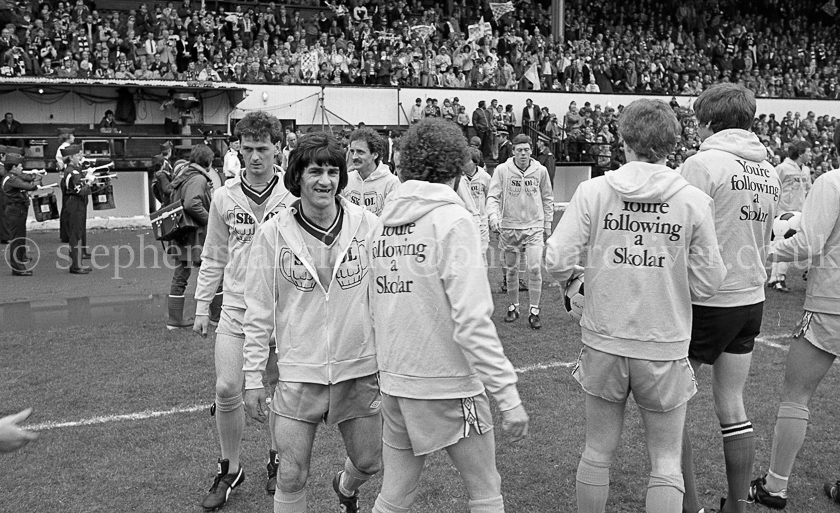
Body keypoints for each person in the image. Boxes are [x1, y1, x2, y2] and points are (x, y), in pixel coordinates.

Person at [545, 98, 726, 513]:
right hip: (664, 342)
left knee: (597, 451)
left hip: (605, 339)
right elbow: (710, 282)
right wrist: (671, 280)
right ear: (672, 144)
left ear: (623, 140)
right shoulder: (693, 200)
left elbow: (556, 259)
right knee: (665, 462)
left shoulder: (594, 191)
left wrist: (575, 279)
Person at [369, 117, 529, 513]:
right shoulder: (452, 220)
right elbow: (472, 320)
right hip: (447, 383)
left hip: (396, 381)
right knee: (486, 488)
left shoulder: (380, 226)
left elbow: (372, 309)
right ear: (456, 167)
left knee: (396, 493)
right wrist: (507, 395)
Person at [243, 132, 382, 513]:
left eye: (333, 172)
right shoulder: (272, 233)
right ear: (297, 177)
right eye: (315, 171)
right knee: (290, 475)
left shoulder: (368, 225)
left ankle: (345, 486)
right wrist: (253, 376)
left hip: (358, 367)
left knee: (370, 461)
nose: (325, 181)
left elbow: (384, 299)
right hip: (298, 372)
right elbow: (258, 309)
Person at [679, 83, 781, 513]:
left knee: (671, 403)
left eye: (697, 120)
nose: (695, 128)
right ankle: (737, 507)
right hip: (750, 298)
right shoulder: (769, 170)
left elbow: (679, 228)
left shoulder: (702, 164)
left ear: (709, 121)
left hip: (708, 298)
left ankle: (690, 506)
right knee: (732, 404)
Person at [193, 112, 292, 511]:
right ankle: (230, 468)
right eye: (247, 148)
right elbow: (214, 253)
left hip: (284, 309)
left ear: (277, 148)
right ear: (237, 148)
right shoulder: (224, 196)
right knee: (226, 387)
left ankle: (278, 459)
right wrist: (202, 305)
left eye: (262, 148)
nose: (254, 156)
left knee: (278, 388)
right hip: (236, 306)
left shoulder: (295, 193)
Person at [747, 166, 840, 509]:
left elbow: (808, 243)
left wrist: (764, 249)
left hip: (832, 301)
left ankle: (775, 486)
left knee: (796, 394)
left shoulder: (832, 181)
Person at [486, 134, 554, 330]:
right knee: (511, 270)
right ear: (513, 151)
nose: (523, 153)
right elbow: (493, 197)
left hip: (534, 227)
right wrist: (493, 217)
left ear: (531, 150)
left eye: (526, 150)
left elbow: (547, 198)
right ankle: (513, 307)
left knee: (534, 268)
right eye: (519, 150)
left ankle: (534, 311)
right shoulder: (502, 170)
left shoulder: (540, 171)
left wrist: (547, 225)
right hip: (510, 227)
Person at [165, 144, 215, 329]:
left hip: (183, 232)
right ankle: (217, 316)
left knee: (181, 274)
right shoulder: (198, 178)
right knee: (213, 271)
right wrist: (211, 220)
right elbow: (192, 203)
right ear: (207, 161)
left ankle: (174, 320)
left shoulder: (184, 175)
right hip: (195, 234)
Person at [767, 140, 812, 292]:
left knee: (795, 246)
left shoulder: (805, 170)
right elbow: (772, 186)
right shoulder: (782, 168)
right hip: (783, 214)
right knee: (783, 246)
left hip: (799, 213)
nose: (810, 154)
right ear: (800, 153)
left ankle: (778, 278)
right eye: (808, 152)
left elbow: (808, 189)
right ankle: (777, 278)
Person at [343, 128, 400, 216]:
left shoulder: (392, 183)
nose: (354, 157)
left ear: (375, 154)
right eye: (352, 151)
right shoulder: (346, 180)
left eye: (360, 152)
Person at [2, 153, 40, 276]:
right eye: (20, 166)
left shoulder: (12, 177)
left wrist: (32, 176)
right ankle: (17, 268)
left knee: (20, 237)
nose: (22, 168)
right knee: (16, 239)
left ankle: (20, 259)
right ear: (13, 167)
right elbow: (28, 186)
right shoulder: (11, 179)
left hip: (18, 210)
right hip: (15, 210)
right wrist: (35, 183)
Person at [60, 144, 93, 275]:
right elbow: (80, 191)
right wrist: (89, 182)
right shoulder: (72, 172)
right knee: (76, 235)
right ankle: (76, 265)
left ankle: (78, 263)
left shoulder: (72, 170)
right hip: (75, 204)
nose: (80, 157)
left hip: (75, 203)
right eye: (77, 155)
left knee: (77, 234)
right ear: (71, 157)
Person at [464, 146, 491, 263]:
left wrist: (491, 217)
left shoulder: (485, 177)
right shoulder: (459, 178)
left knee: (481, 253)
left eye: (467, 160)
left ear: (475, 162)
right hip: (465, 221)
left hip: (481, 221)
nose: (464, 163)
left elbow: (490, 197)